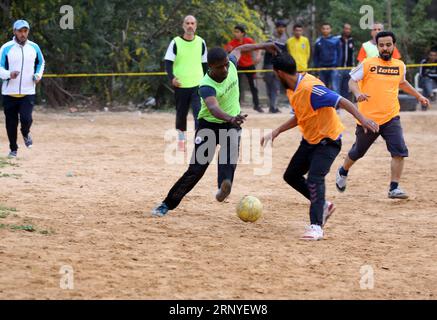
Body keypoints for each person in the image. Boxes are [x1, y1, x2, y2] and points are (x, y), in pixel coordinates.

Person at [152, 42, 280, 217]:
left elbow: (240, 49)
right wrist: (230, 118)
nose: (226, 69)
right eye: (221, 67)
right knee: (196, 170)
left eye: (227, 64)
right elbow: (213, 108)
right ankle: (167, 204)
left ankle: (223, 188)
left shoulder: (232, 64)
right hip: (209, 126)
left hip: (231, 124)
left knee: (229, 157)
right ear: (211, 67)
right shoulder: (206, 85)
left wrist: (266, 45)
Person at [260, 52, 378, 241]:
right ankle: (324, 205)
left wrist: (363, 120)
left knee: (315, 178)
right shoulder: (292, 89)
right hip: (310, 140)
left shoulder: (311, 88)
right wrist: (277, 131)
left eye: (274, 74)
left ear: (279, 73)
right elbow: (301, 115)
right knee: (291, 175)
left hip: (328, 141)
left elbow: (341, 101)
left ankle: (316, 226)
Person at [336, 31, 429, 199]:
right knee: (358, 151)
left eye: (388, 45)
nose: (385, 48)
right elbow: (352, 81)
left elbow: (402, 82)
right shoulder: (368, 63)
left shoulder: (400, 65)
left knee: (399, 151)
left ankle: (394, 187)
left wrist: (419, 96)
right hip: (368, 119)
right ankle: (343, 171)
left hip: (391, 116)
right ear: (377, 46)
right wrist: (357, 94)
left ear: (394, 45)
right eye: (381, 45)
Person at [0, 20, 45, 158]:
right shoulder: (6, 48)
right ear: (14, 31)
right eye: (20, 31)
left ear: (28, 32)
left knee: (26, 119)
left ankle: (25, 133)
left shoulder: (34, 47)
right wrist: (9, 74)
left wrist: (38, 75)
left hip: (28, 91)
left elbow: (41, 62)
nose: (22, 34)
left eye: (25, 31)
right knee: (11, 124)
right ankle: (13, 149)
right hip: (9, 92)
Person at [164, 15, 208, 152]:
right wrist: (172, 78)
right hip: (181, 85)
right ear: (183, 25)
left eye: (192, 23)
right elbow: (168, 62)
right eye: (187, 23)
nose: (190, 25)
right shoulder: (176, 42)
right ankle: (181, 140)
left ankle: (198, 140)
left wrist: (206, 80)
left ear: (196, 25)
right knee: (181, 113)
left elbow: (205, 64)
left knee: (198, 114)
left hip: (198, 84)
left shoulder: (201, 42)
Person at [225, 24, 263, 113]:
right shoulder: (232, 43)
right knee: (235, 87)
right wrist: (228, 52)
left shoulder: (248, 41)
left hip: (250, 66)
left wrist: (258, 56)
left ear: (242, 33)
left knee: (253, 86)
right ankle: (236, 107)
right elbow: (226, 53)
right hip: (238, 67)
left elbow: (259, 47)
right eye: (234, 32)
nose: (235, 34)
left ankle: (257, 105)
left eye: (237, 32)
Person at [263, 20, 288, 113]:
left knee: (276, 86)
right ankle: (271, 106)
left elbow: (284, 53)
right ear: (276, 28)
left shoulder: (285, 39)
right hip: (269, 64)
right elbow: (268, 49)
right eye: (280, 27)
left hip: (279, 66)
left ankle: (274, 106)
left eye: (283, 27)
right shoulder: (270, 37)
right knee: (269, 86)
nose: (281, 29)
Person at [313, 23, 341, 92]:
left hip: (333, 67)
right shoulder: (318, 41)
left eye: (327, 28)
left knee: (335, 87)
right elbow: (315, 55)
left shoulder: (336, 40)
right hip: (322, 68)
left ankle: (336, 102)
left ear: (330, 29)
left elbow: (340, 54)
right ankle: (324, 103)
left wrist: (338, 65)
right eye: (324, 29)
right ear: (321, 30)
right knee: (322, 87)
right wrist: (317, 67)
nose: (325, 30)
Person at [336, 23, 355, 101]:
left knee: (346, 88)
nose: (347, 30)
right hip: (338, 68)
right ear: (343, 29)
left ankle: (344, 107)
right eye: (346, 29)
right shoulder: (337, 39)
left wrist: (353, 65)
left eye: (349, 29)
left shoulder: (351, 40)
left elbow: (353, 53)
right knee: (337, 87)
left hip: (348, 67)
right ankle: (336, 106)